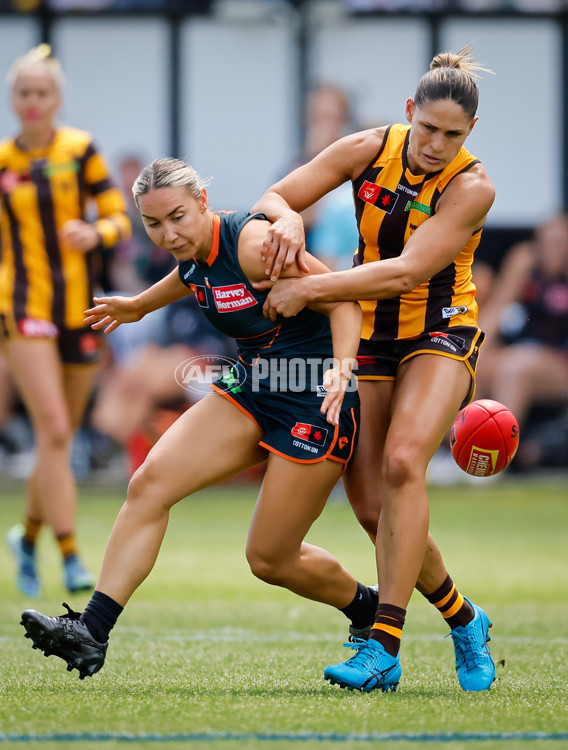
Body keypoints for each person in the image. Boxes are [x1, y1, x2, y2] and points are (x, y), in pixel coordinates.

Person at [19, 156, 380, 682]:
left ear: (204, 204)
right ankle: (90, 632)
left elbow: (343, 300)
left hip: (314, 397)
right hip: (253, 386)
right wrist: (139, 306)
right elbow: (190, 275)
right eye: (153, 223)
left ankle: (366, 609)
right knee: (148, 485)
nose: (167, 234)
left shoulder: (254, 245)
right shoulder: (191, 253)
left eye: (178, 218)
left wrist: (343, 369)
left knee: (270, 559)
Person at [251, 46, 497, 693]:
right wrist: (284, 225)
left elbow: (408, 271)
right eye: (428, 129)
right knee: (368, 509)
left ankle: (383, 647)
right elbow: (278, 195)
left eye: (453, 135)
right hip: (371, 337)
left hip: (442, 332)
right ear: (409, 113)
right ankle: (464, 617)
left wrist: (315, 289)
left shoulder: (474, 188)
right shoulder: (365, 148)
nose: (437, 144)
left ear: (469, 133)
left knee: (402, 464)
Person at [0, 44, 131, 596]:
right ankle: (69, 554)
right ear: (14, 100)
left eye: (42, 92)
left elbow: (118, 218)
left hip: (80, 309)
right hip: (22, 305)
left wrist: (96, 233)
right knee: (56, 431)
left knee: (60, 439)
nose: (33, 101)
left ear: (56, 98)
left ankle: (27, 534)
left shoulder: (81, 151)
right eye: (24, 93)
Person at [475, 213, 568, 470]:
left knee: (516, 366)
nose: (552, 250)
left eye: (560, 243)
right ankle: (462, 452)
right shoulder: (525, 263)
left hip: (559, 363)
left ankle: (496, 458)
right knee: (477, 362)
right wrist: (472, 349)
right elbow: (496, 311)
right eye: (547, 242)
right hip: (521, 354)